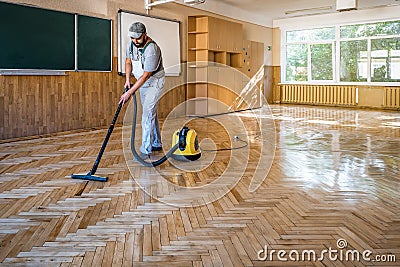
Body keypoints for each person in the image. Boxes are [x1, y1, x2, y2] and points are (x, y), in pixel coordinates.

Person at [119, 22, 165, 160]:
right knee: (151, 113)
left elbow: (146, 75)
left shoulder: (152, 49)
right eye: (133, 38)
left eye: (138, 38)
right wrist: (127, 80)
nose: (135, 41)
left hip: (154, 82)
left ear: (145, 35)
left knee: (147, 114)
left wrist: (129, 93)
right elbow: (128, 61)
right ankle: (156, 142)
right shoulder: (131, 44)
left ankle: (146, 150)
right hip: (142, 81)